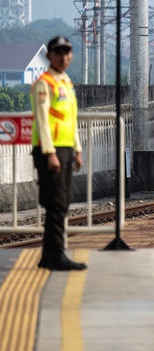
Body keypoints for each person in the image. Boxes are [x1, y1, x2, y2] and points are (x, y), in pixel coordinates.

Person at [31, 36, 86, 271]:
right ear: (49, 56)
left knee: (59, 203)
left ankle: (47, 257)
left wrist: (77, 149)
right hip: (50, 150)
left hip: (64, 149)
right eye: (59, 53)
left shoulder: (65, 82)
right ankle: (58, 256)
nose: (64, 57)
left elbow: (70, 119)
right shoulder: (45, 83)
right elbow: (43, 120)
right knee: (57, 203)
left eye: (67, 52)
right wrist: (50, 153)